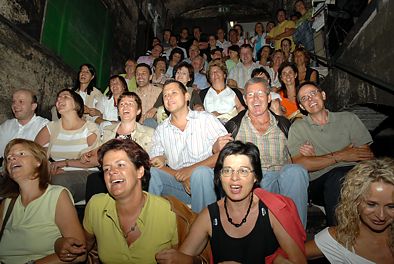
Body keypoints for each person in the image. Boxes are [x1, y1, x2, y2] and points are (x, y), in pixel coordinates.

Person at [156, 141, 306, 263]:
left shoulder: (272, 211)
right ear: (219, 176)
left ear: (256, 177)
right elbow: (184, 258)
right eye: (227, 171)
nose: (234, 178)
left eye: (243, 171)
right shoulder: (209, 216)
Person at [218, 77, 309, 227]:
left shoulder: (284, 124)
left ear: (268, 98)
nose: (255, 99)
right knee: (262, 178)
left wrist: (305, 152)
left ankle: (296, 235)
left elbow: (295, 157)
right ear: (245, 100)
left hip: (281, 181)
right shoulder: (234, 126)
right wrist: (217, 148)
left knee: (296, 171)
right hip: (251, 183)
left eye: (260, 94)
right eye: (250, 95)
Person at [288, 82, 374, 226]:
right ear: (302, 107)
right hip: (319, 183)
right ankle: (338, 234)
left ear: (323, 95)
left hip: (355, 175)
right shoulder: (299, 127)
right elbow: (300, 163)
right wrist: (342, 154)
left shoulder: (348, 118)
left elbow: (366, 154)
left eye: (313, 93)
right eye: (304, 98)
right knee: (337, 176)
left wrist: (317, 159)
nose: (310, 99)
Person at [148, 79, 228, 213]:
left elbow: (227, 153)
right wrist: (181, 176)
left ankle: (204, 228)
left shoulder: (205, 119)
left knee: (200, 173)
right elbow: (155, 163)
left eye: (174, 92)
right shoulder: (161, 130)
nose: (169, 97)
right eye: (165, 95)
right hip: (178, 183)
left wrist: (190, 170)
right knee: (153, 173)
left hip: (207, 182)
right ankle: (153, 224)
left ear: (186, 96)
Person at [0, 139, 85, 263]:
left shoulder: (57, 195)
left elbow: (79, 253)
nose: (12, 158)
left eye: (21, 154)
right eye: (9, 158)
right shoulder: (7, 203)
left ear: (38, 161)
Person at [306, 158, 394, 263]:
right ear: (355, 201)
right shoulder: (338, 239)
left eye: (391, 206)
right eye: (371, 204)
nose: (381, 216)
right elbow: (284, 256)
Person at [82, 92, 155, 201]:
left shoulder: (150, 133)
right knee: (94, 179)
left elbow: (150, 161)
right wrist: (86, 155)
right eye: (122, 104)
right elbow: (94, 153)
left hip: (134, 174)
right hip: (109, 172)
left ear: (138, 110)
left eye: (130, 104)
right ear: (118, 111)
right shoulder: (107, 131)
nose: (125, 106)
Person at [35, 89, 100, 202]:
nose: (59, 99)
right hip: (55, 174)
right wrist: (49, 167)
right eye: (58, 97)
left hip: (86, 174)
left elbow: (96, 160)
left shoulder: (89, 128)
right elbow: (35, 155)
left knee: (59, 181)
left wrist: (64, 163)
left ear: (76, 104)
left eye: (65, 96)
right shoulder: (51, 128)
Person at [0, 89, 49, 161]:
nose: (15, 105)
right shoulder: (6, 126)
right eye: (13, 102)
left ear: (33, 106)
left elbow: (44, 156)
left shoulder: (44, 126)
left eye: (21, 101)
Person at [199, 59, 245, 123]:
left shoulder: (234, 92)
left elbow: (241, 110)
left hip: (230, 126)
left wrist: (222, 116)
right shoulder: (203, 93)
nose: (215, 73)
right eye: (212, 72)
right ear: (209, 78)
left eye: (218, 71)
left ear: (224, 75)